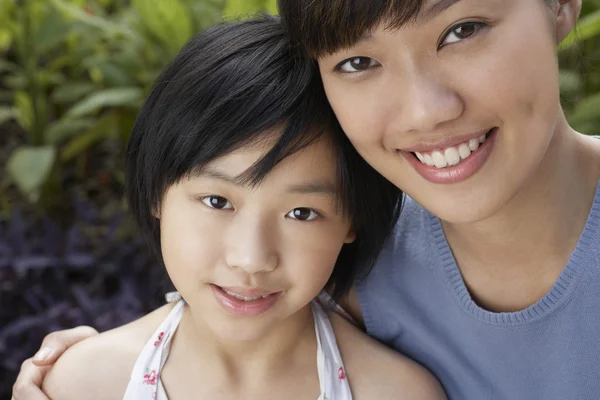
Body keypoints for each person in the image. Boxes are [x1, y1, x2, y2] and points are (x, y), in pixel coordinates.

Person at [14, 0, 600, 398]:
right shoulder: (357, 275)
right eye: (358, 61)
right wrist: (77, 371)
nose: (425, 110)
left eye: (463, 29)